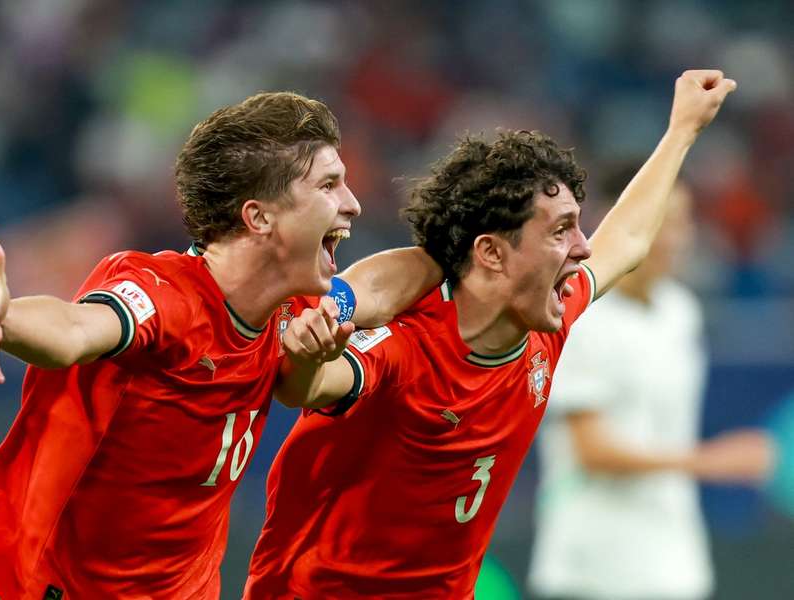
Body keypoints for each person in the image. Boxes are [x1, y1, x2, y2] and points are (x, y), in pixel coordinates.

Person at [243, 70, 737, 599]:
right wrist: (312, 351)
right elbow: (305, 387)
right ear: (492, 253)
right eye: (559, 231)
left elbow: (628, 239)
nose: (583, 248)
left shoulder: (546, 321)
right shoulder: (407, 345)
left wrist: (683, 130)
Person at [0, 92, 442, 600]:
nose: (353, 202)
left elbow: (375, 289)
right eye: (328, 184)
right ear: (258, 218)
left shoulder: (291, 306)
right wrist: (3, 318)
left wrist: (455, 247)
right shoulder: (165, 295)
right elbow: (75, 330)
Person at [526, 174, 775, 600]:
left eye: (682, 222)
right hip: (591, 567)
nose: (674, 238)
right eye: (662, 221)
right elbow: (592, 451)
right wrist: (711, 461)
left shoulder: (681, 311)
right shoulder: (578, 317)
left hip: (673, 563)